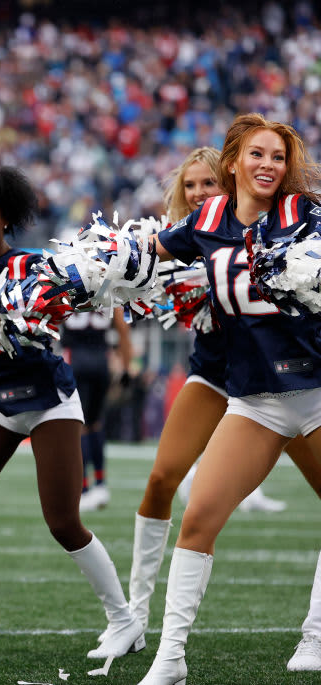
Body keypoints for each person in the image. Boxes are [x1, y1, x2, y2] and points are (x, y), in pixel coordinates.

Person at [0, 164, 143, 664]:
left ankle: (125, 621)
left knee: (63, 522)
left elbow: (80, 292)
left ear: (7, 219)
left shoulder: (32, 266)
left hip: (49, 405)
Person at [138, 114, 321, 684]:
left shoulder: (307, 217)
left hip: (318, 392)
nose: (269, 165)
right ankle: (170, 660)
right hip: (256, 399)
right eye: (258, 155)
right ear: (234, 162)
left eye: (279, 157)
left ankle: (317, 632)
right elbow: (141, 254)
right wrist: (63, 275)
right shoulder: (207, 221)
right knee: (199, 520)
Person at [61, 306, 132, 512]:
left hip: (76, 359)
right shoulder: (106, 286)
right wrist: (126, 367)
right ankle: (100, 484)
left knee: (79, 425)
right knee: (95, 423)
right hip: (101, 360)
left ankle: (83, 489)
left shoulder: (68, 284)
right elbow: (122, 328)